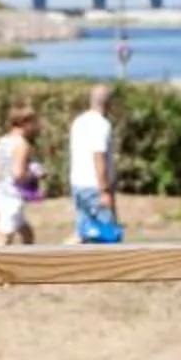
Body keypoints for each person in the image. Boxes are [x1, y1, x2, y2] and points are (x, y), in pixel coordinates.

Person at [68, 85, 117, 242]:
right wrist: (104, 191)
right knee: (108, 236)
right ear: (109, 103)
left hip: (78, 184)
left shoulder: (79, 121)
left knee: (84, 232)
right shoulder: (101, 125)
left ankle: (63, 252)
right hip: (94, 187)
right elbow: (98, 157)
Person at [0, 104, 42, 246]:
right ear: (25, 123)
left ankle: (28, 257)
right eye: (34, 122)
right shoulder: (22, 144)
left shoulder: (3, 141)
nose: (36, 126)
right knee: (4, 239)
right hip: (12, 198)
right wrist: (35, 174)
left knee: (27, 234)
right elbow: (18, 174)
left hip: (0, 194)